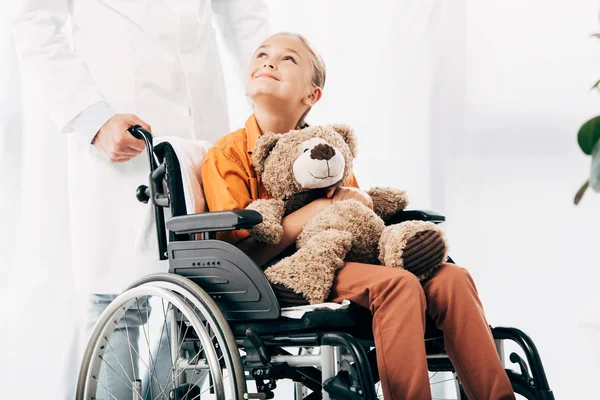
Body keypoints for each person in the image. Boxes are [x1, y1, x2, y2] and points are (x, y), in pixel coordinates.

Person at [200, 32, 516, 399]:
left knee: (452, 278)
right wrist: (316, 210)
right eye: (262, 54)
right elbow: (238, 259)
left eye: (288, 59)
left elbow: (353, 221)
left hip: (344, 261)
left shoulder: (327, 150)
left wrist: (361, 202)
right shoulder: (229, 154)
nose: (269, 61)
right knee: (397, 285)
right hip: (279, 277)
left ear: (312, 95)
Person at [11, 0, 269, 398]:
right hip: (121, 136)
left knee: (205, 300)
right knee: (118, 304)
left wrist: (271, 101)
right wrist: (91, 118)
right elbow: (34, 21)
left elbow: (244, 15)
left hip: (200, 133)